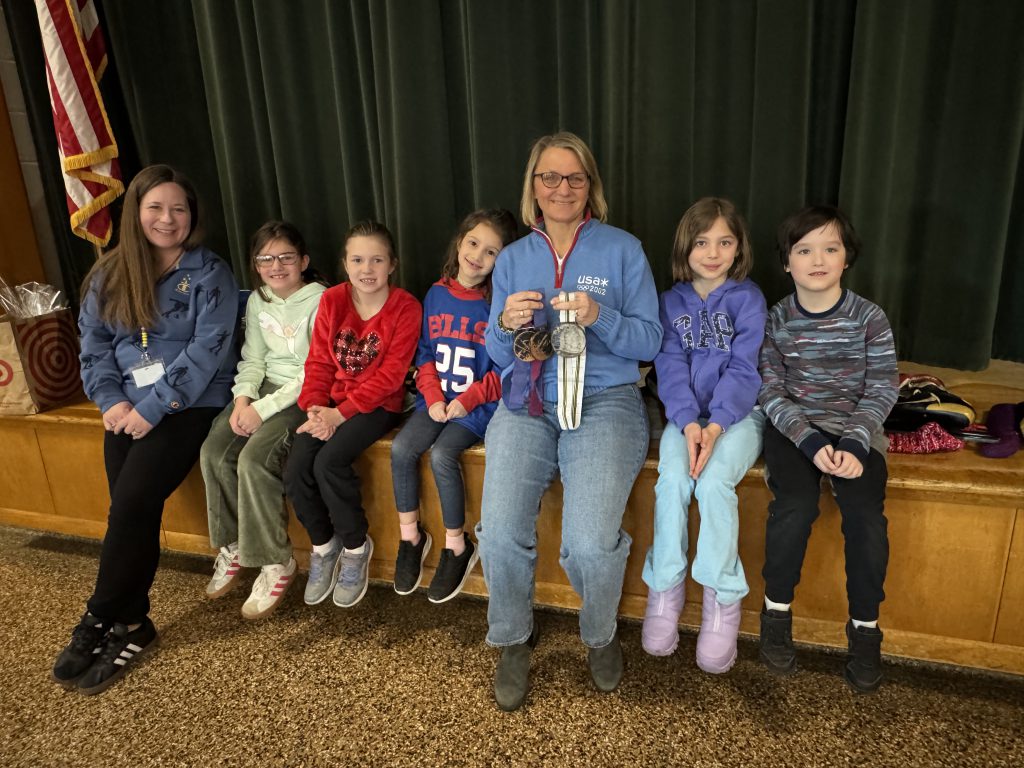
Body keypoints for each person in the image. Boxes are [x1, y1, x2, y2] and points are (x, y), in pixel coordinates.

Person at [477, 132, 662, 711]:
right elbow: (500, 354)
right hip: (529, 402)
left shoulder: (623, 249)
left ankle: (600, 633)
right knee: (501, 530)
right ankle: (512, 637)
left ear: (591, 186)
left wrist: (601, 315)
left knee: (587, 545)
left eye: (574, 178)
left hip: (606, 401)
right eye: (549, 178)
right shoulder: (512, 258)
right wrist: (505, 325)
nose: (562, 189)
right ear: (533, 185)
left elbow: (650, 340)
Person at [52, 164, 239, 695]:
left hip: (189, 407)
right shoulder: (110, 273)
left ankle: (97, 618)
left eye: (178, 208)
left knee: (132, 504)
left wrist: (151, 410)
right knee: (130, 510)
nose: (168, 218)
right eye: (156, 207)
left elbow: (207, 352)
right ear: (136, 212)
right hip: (123, 409)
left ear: (192, 216)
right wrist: (109, 401)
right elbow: (93, 346)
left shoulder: (210, 274)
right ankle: (133, 623)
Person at [757, 205, 898, 694]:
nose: (818, 259)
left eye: (830, 248)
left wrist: (856, 443)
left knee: (865, 518)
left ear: (846, 258)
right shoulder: (775, 319)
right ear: (787, 262)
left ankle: (864, 628)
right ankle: (775, 615)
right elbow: (771, 391)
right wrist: (812, 442)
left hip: (857, 433)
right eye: (804, 249)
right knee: (794, 507)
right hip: (796, 432)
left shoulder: (869, 318)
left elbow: (882, 387)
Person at [641, 198, 767, 673]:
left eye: (724, 242)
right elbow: (669, 365)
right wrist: (690, 423)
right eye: (701, 242)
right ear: (684, 246)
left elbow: (744, 367)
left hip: (736, 419)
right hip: (685, 419)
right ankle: (665, 588)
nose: (712, 252)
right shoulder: (670, 301)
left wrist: (714, 427)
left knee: (713, 485)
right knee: (673, 481)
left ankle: (721, 598)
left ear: (738, 248)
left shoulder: (748, 298)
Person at [284, 221, 421, 610]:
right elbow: (320, 361)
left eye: (376, 260)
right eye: (358, 260)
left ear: (392, 264)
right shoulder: (332, 301)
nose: (367, 269)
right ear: (345, 264)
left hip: (376, 405)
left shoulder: (405, 307)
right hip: (329, 405)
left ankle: (356, 548)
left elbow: (391, 377)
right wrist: (314, 408)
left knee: (329, 462)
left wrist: (338, 416)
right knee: (296, 467)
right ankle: (324, 546)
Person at [200, 221, 328, 619]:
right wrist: (242, 401)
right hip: (261, 390)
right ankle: (235, 544)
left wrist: (264, 410)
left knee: (255, 459)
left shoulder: (323, 299)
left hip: (301, 393)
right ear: (256, 265)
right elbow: (253, 360)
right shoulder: (257, 300)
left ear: (303, 261)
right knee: (215, 451)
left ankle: (276, 560)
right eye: (266, 258)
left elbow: (314, 370)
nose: (276, 266)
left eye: (286, 257)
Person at [390, 209, 518, 603]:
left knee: (444, 454)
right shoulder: (435, 293)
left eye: (491, 251)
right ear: (460, 242)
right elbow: (425, 351)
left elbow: (505, 370)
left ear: (503, 260)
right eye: (473, 243)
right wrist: (431, 397)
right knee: (401, 450)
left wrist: (467, 401)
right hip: (435, 401)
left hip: (475, 407)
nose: (478, 256)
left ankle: (456, 546)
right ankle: (411, 538)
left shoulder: (497, 306)